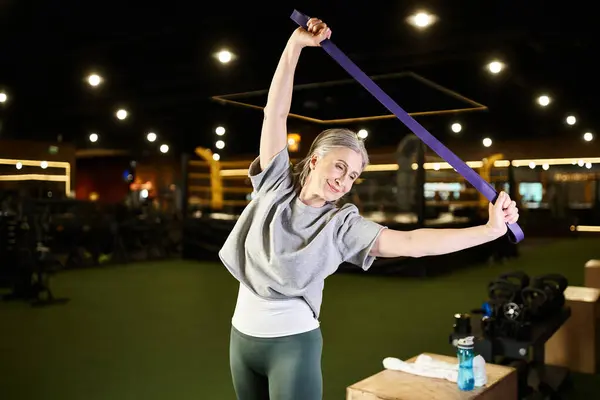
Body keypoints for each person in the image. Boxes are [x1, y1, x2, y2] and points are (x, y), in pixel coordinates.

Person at [218, 17, 519, 400]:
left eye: (354, 176)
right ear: (314, 160)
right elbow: (274, 113)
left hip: (291, 343)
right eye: (340, 167)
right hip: (240, 336)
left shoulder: (341, 225)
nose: (344, 181)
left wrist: (489, 232)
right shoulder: (274, 184)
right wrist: (294, 46)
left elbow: (413, 243)